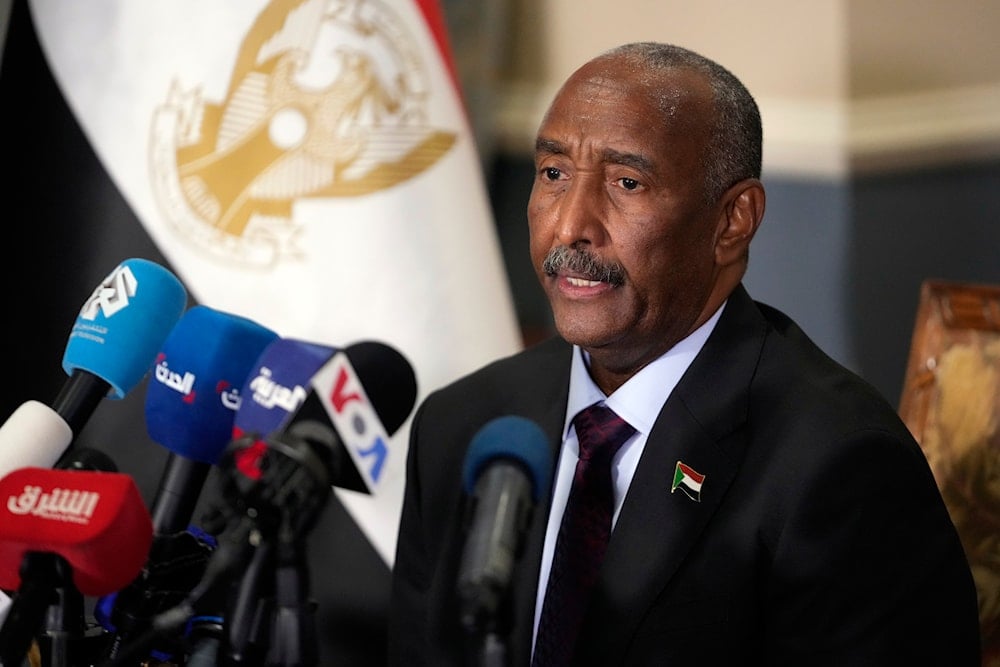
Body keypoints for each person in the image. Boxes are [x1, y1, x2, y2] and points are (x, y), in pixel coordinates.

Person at [387, 42, 981, 665]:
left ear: (733, 221)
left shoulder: (837, 466)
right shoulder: (466, 425)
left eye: (626, 182)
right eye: (554, 174)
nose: (569, 227)